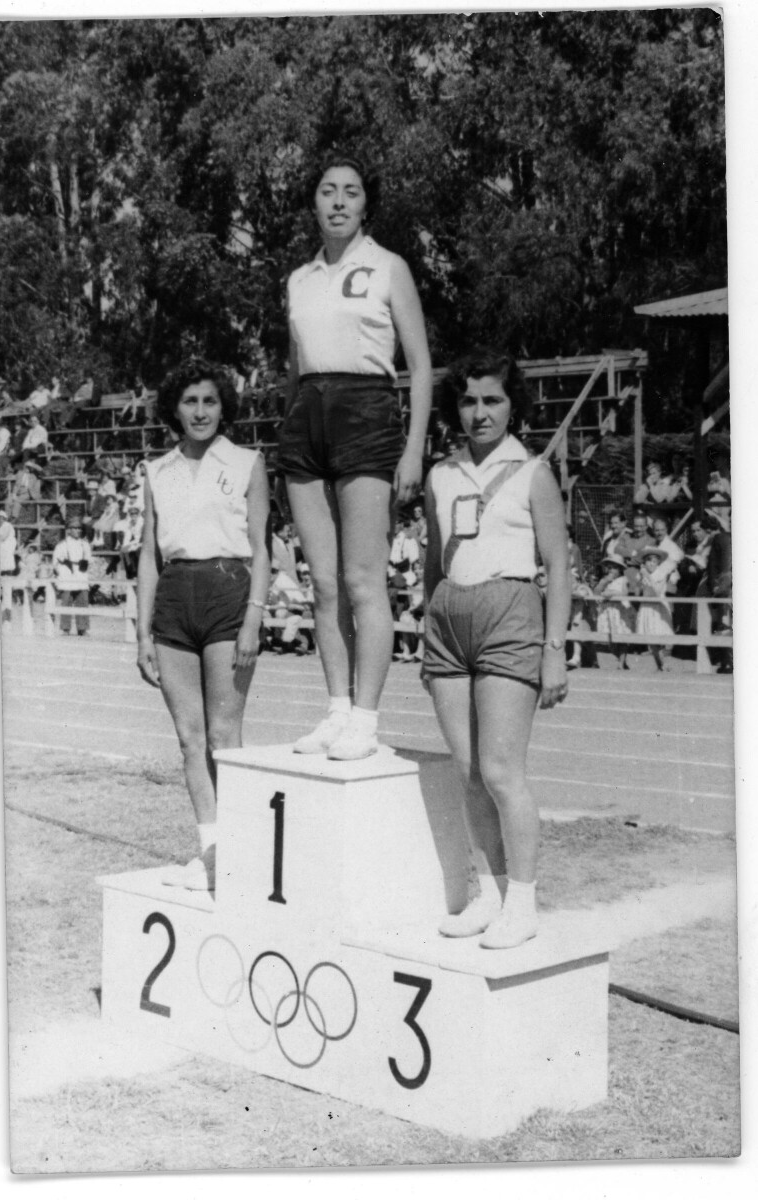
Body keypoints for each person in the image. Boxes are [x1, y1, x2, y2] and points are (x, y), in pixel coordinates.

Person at [277, 152, 432, 760]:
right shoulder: (298, 279)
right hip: (307, 416)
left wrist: (413, 448)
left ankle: (367, 715)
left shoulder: (388, 267)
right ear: (313, 203)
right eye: (326, 191)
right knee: (322, 584)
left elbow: (418, 366)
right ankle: (337, 710)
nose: (338, 202)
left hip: (366, 411)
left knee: (364, 580)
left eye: (351, 192)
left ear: (367, 203)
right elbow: (293, 369)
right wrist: (292, 426)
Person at [421, 350, 570, 950]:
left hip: (510, 616)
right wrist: (429, 626)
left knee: (502, 770)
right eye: (468, 400)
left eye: (492, 400)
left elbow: (558, 565)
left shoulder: (533, 472)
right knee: (467, 772)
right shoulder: (441, 474)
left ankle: (524, 903)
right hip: (449, 620)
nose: (479, 413)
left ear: (513, 406)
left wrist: (554, 648)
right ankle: (489, 891)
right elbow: (434, 561)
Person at [136, 358, 270, 892]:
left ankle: (241, 853)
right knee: (191, 741)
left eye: (209, 401)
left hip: (228, 592)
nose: (199, 411)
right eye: (190, 401)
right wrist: (143, 632)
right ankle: (212, 850)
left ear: (224, 407)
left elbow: (262, 548)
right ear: (174, 407)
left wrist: (254, 618)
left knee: (223, 735)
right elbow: (148, 552)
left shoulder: (246, 463)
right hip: (174, 597)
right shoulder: (156, 470)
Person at [52, 516, 93, 635]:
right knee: (66, 602)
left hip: (81, 574)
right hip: (67, 575)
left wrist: (85, 562)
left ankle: (82, 628)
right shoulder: (62, 544)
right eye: (74, 528)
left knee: (83, 601)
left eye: (79, 528)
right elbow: (56, 562)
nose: (77, 530)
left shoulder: (84, 544)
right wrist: (62, 571)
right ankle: (65, 628)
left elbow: (88, 558)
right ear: (68, 530)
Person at [594, 553, 635, 669]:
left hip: (619, 610)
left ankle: (621, 662)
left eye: (615, 567)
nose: (612, 570)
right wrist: (604, 582)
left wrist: (610, 594)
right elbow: (596, 593)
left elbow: (624, 593)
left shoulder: (623, 580)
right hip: (607, 611)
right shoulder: (605, 580)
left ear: (620, 569)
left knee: (621, 637)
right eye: (610, 567)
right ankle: (620, 658)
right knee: (610, 639)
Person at [636, 546, 673, 671]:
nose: (651, 564)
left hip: (658, 606)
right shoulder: (642, 573)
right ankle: (660, 665)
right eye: (648, 561)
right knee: (651, 639)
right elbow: (638, 590)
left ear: (658, 563)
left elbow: (657, 591)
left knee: (660, 636)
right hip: (647, 606)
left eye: (654, 561)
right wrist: (640, 579)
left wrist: (647, 576)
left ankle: (664, 664)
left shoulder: (661, 573)